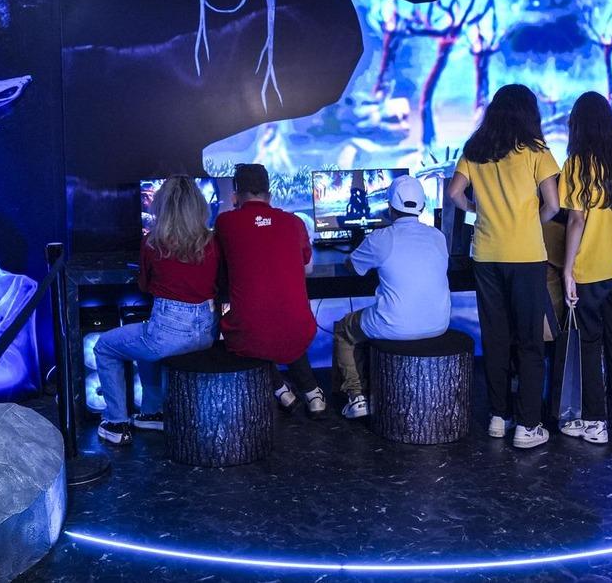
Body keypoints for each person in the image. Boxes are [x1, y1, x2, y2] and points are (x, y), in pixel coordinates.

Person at [448, 84, 560, 449]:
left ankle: (499, 416)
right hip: (526, 255)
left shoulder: (476, 148)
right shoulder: (537, 151)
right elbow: (554, 205)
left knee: (495, 338)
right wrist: (530, 222)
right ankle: (528, 425)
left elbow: (454, 194)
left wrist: (477, 210)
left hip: (486, 254)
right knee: (529, 342)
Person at [93, 175, 219, 445]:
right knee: (145, 340)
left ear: (161, 206)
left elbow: (145, 286)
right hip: (206, 334)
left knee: (105, 346)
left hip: (167, 334)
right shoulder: (212, 241)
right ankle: (152, 412)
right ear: (199, 206)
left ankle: (116, 422)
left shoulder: (152, 242)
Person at [558, 92, 612, 445]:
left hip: (588, 271)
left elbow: (576, 221)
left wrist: (567, 270)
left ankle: (596, 422)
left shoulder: (576, 165)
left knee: (589, 347)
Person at [332, 175, 451, 419]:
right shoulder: (438, 236)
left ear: (389, 208)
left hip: (395, 326)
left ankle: (356, 397)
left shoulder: (381, 238)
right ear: (422, 207)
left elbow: (353, 266)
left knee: (344, 329)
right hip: (439, 324)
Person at [215, 163, 327, 415]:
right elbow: (307, 269)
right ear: (270, 193)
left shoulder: (225, 222)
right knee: (281, 325)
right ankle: (313, 395)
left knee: (250, 329)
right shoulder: (294, 222)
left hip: (251, 333)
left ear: (236, 195)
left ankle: (280, 390)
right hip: (301, 330)